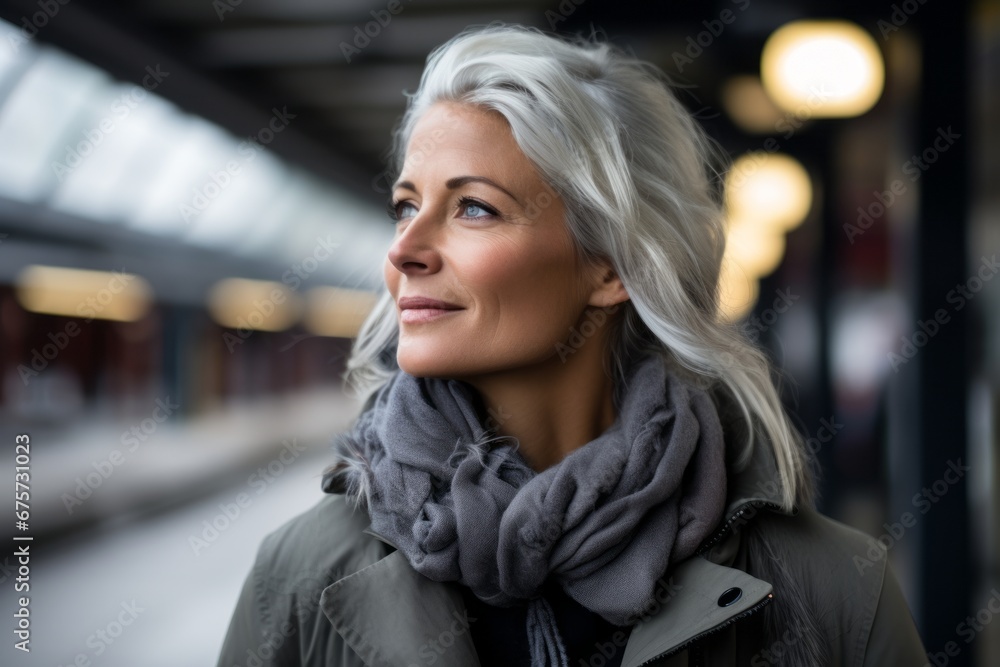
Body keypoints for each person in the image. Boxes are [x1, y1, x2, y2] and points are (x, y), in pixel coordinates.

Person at [216, 22, 927, 667]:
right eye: (407, 205)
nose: (405, 249)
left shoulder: (833, 591)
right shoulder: (302, 576)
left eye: (473, 207)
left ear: (612, 265)